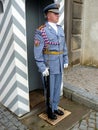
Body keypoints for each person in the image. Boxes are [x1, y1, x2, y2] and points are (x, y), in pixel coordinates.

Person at [34, 3, 68, 120]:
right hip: (48, 66)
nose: (57, 15)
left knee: (57, 87)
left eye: (58, 13)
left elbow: (64, 46)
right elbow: (38, 52)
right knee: (49, 88)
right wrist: (42, 67)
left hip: (58, 64)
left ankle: (55, 107)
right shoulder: (41, 31)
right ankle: (49, 110)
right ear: (48, 15)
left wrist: (65, 59)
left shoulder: (60, 29)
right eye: (55, 13)